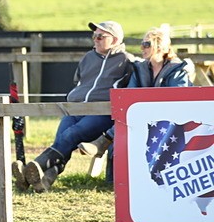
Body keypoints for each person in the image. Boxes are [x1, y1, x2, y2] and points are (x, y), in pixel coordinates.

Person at [14, 20, 134, 193]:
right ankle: (44, 180)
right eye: (94, 36)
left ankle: (33, 168)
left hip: (101, 113)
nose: (95, 39)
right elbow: (79, 81)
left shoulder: (127, 61)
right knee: (61, 139)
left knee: (70, 135)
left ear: (115, 40)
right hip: (75, 109)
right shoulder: (88, 58)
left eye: (100, 36)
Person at [78, 25, 194, 163]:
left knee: (136, 115)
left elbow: (177, 101)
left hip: (170, 120)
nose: (141, 48)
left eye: (146, 44)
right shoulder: (140, 69)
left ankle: (104, 140)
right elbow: (129, 96)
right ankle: (106, 148)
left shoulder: (177, 70)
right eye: (142, 44)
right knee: (124, 122)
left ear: (159, 47)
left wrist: (145, 104)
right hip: (143, 117)